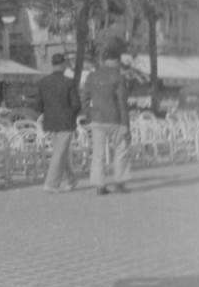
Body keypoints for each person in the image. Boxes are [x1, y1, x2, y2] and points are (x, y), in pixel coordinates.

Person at [82, 47, 131, 195]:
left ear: (103, 60)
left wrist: (89, 115)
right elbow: (122, 102)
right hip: (115, 119)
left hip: (97, 120)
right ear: (115, 61)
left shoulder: (91, 76)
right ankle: (120, 182)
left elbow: (84, 99)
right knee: (121, 150)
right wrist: (126, 125)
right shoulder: (119, 77)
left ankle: (99, 185)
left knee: (98, 153)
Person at [35, 53, 82, 193]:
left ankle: (70, 180)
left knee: (59, 152)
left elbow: (38, 105)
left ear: (52, 64)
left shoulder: (43, 82)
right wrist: (71, 115)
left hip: (50, 122)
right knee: (60, 153)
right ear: (63, 65)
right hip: (66, 122)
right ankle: (51, 184)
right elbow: (76, 104)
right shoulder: (69, 82)